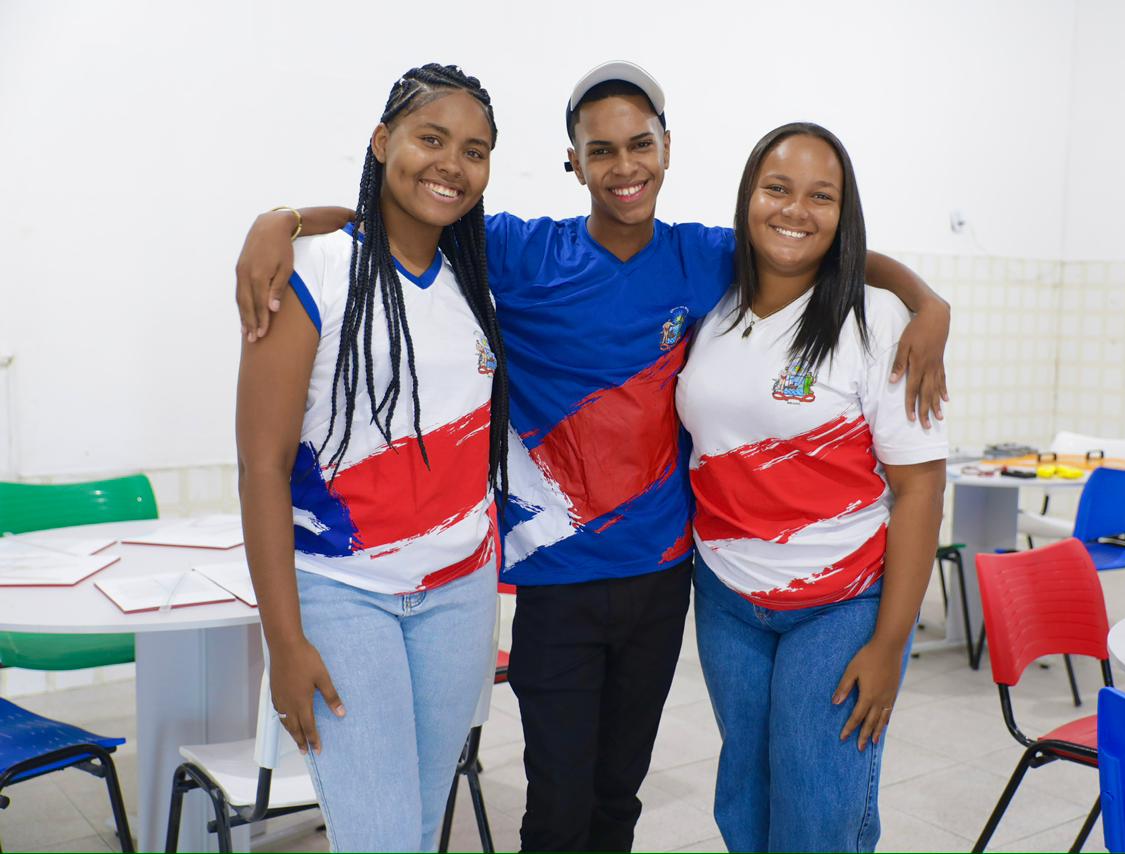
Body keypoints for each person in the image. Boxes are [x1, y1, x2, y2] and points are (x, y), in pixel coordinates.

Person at [232, 61, 950, 852]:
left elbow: (823, 249)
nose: (623, 166)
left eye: (640, 144)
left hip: (662, 577)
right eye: (600, 149)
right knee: (558, 804)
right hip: (556, 582)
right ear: (573, 161)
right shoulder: (520, 251)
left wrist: (926, 301)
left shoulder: (704, 257)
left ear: (668, 150)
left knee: (618, 799)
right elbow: (404, 214)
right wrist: (282, 221)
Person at [235, 63, 508, 852]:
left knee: (417, 831)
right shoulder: (312, 271)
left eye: (475, 151)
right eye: (431, 139)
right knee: (380, 838)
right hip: (342, 597)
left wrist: (283, 217)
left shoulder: (477, 281)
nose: (452, 164)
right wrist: (284, 643)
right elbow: (261, 467)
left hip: (460, 596)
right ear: (383, 141)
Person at [675, 123, 948, 852]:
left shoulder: (876, 320)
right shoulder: (715, 304)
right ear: (748, 196)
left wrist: (890, 643)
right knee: (744, 798)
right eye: (777, 189)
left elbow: (921, 491)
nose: (795, 210)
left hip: (840, 606)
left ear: (842, 212)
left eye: (821, 196)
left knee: (817, 813)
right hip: (727, 596)